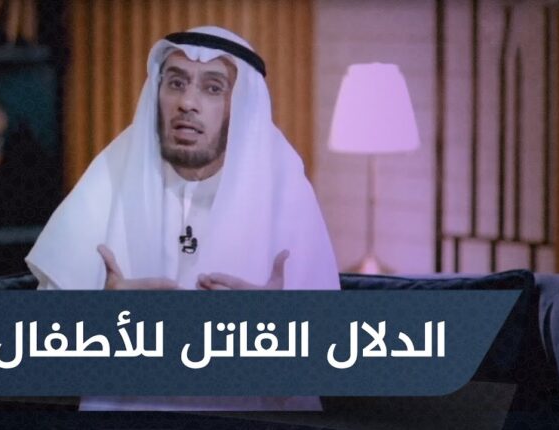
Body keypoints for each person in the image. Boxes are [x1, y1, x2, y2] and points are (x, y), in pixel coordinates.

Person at [26, 26, 339, 410]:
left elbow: (322, 370)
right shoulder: (109, 177)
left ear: (241, 108)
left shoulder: (284, 190)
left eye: (213, 88)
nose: (187, 102)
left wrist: (279, 334)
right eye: (175, 83)